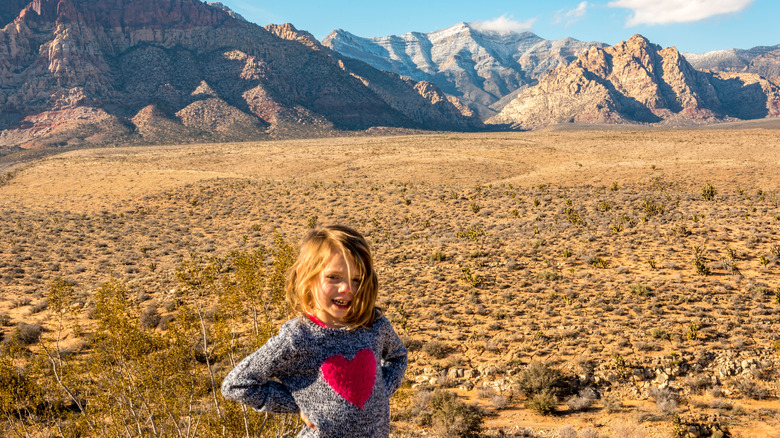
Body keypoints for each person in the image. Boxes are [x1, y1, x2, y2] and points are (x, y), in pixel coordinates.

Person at [221, 225, 408, 437]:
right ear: (307, 277)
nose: (347, 288)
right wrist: (298, 404)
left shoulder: (372, 324)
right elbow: (236, 385)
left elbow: (398, 358)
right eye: (333, 277)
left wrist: (381, 392)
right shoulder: (297, 337)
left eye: (356, 280)